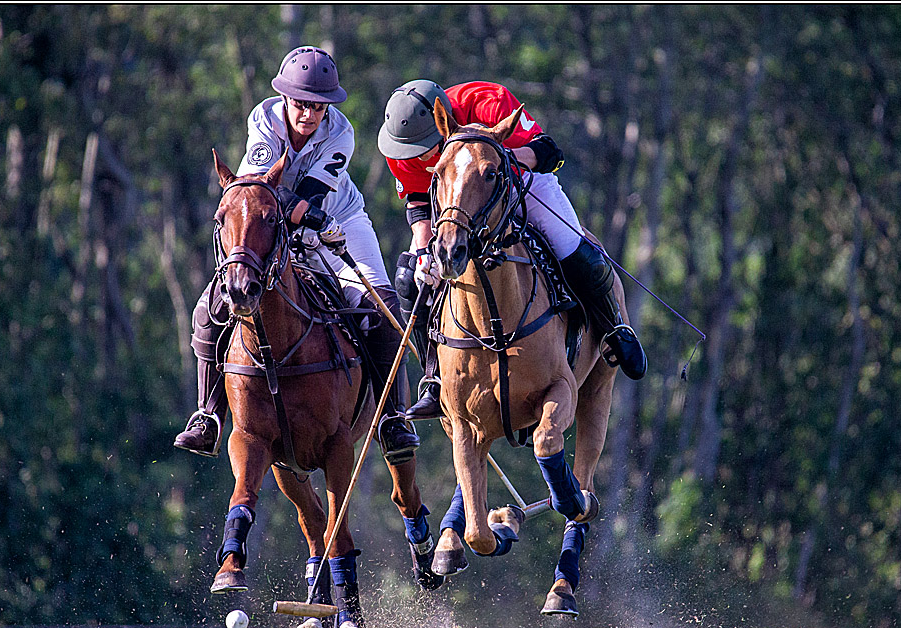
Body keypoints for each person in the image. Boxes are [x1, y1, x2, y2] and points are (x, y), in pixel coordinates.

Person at [173, 47, 421, 463]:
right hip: (270, 222)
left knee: (382, 308)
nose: (309, 114)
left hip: (338, 222)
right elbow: (259, 188)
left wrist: (300, 214)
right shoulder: (263, 119)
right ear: (285, 98)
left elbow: (308, 200)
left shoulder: (341, 132)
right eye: (301, 103)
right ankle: (208, 415)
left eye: (319, 106)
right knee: (207, 308)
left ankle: (393, 417)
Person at [376, 79, 648, 420]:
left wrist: (500, 155)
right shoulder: (402, 145)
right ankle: (434, 377)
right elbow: (417, 201)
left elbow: (549, 153)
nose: (420, 157)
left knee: (571, 245)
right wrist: (422, 253)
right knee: (407, 279)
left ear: (441, 121)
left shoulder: (488, 101)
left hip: (520, 180)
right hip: (453, 203)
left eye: (428, 149)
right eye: (414, 153)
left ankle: (614, 326)